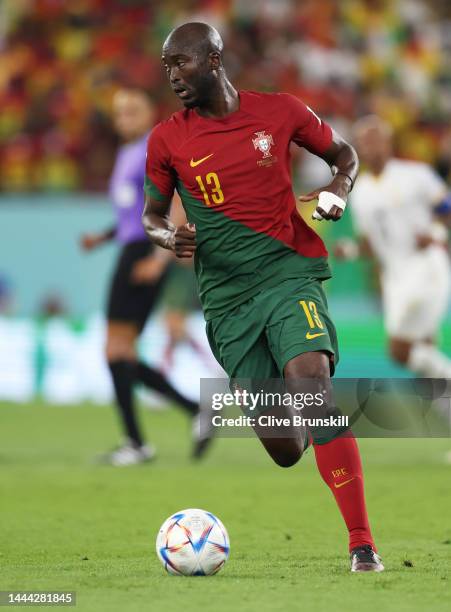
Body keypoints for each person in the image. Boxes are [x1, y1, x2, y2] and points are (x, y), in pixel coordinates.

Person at [142, 22, 384, 572]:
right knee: (284, 447)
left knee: (312, 385)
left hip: (287, 273)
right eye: (167, 67)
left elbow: (344, 155)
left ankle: (362, 544)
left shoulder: (279, 112)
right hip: (227, 301)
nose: (173, 75)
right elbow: (152, 215)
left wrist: (337, 191)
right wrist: (167, 236)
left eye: (181, 62)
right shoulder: (168, 139)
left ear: (214, 59)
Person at [81, 87, 209, 465]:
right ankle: (189, 414)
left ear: (149, 112)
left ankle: (139, 442)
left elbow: (178, 200)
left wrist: (158, 257)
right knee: (119, 351)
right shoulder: (127, 152)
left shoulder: (155, 148)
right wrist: (102, 237)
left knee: (116, 350)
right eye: (120, 112)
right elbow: (132, 213)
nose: (125, 118)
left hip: (143, 253)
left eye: (132, 111)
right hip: (129, 249)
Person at [336, 115, 451, 377]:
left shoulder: (416, 174)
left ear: (389, 142)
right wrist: (351, 251)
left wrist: (437, 233)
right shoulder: (361, 191)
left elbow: (446, 209)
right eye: (364, 141)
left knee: (399, 350)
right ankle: (444, 401)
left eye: (375, 138)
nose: (370, 146)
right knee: (421, 345)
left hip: (426, 265)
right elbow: (371, 244)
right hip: (395, 276)